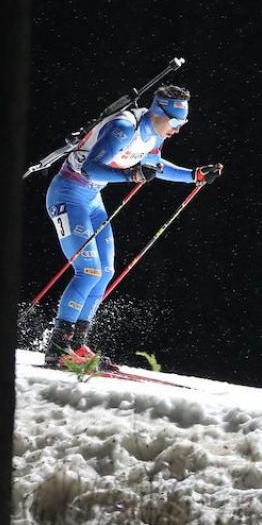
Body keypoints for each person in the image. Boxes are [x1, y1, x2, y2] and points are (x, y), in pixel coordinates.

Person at [43, 84, 221, 365]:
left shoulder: (154, 135)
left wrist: (194, 176)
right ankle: (56, 350)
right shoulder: (125, 127)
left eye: (183, 122)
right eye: (175, 121)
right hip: (67, 194)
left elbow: (155, 166)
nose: (177, 128)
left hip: (91, 199)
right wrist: (132, 174)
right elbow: (90, 167)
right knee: (88, 271)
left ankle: (77, 345)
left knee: (105, 271)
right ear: (159, 111)